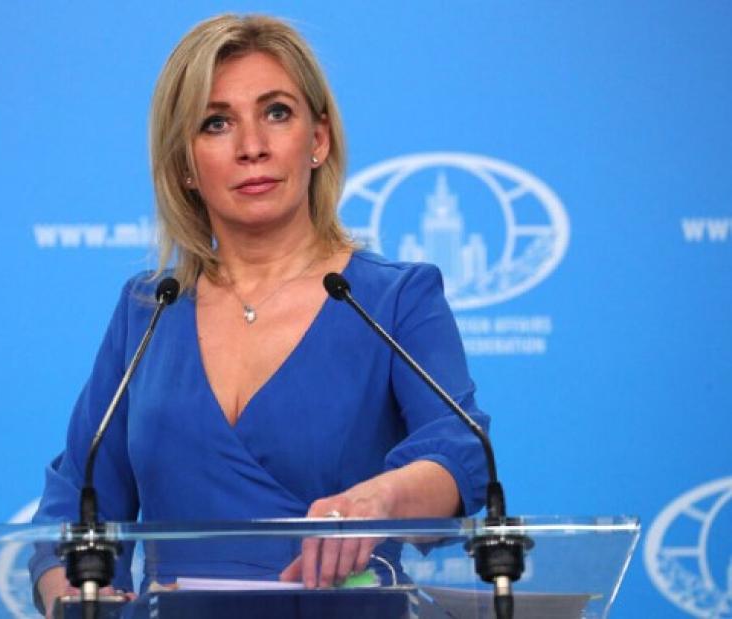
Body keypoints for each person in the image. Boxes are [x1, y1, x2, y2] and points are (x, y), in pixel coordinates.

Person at [29, 13, 490, 616]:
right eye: (216, 123)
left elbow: (457, 453)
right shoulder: (148, 312)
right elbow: (78, 499)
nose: (252, 146)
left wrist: (379, 501)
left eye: (276, 112)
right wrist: (70, 594)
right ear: (185, 165)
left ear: (318, 140)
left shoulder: (394, 299)